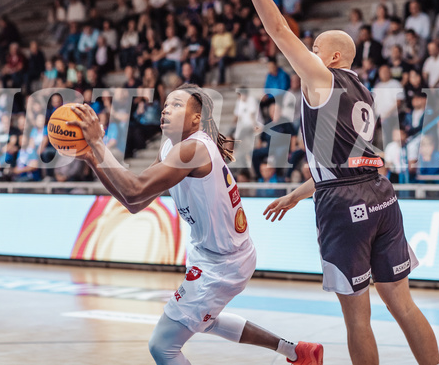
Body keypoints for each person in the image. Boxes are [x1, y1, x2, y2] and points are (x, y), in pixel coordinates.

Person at [220, 0, 439, 365]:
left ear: (333, 57)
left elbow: (279, 30)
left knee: (358, 317)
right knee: (404, 305)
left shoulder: (322, 80)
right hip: (381, 194)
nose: (308, 55)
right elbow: (345, 163)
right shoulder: (362, 90)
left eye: (315, 49)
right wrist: (299, 192)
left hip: (345, 206)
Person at [68, 84, 323, 365]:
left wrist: (97, 144)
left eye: (177, 104)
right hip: (212, 253)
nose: (166, 108)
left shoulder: (193, 149)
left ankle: (297, 352)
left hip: (224, 262)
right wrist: (93, 158)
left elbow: (135, 190)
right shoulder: (169, 147)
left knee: (162, 346)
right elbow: (135, 202)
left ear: (195, 119)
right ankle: (298, 352)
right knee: (204, 319)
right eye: (166, 104)